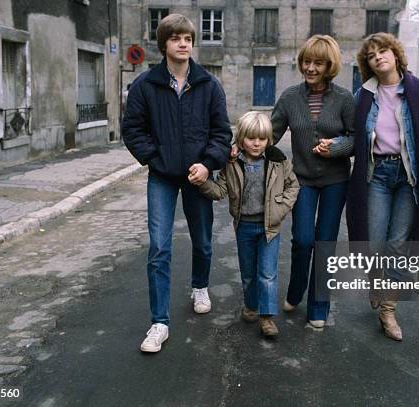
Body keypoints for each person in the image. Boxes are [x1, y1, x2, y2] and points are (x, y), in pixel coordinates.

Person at [319, 32, 419, 341]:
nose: (378, 57)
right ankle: (376, 284)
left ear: (395, 54)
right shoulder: (363, 96)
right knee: (375, 243)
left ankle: (388, 309)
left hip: (411, 178)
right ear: (367, 64)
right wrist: (334, 144)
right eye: (371, 55)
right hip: (377, 175)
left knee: (397, 244)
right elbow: (354, 137)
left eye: (383, 51)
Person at [121, 14, 232, 353]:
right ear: (164, 44)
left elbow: (222, 133)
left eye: (188, 38)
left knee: (203, 242)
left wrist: (208, 163)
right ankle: (159, 322)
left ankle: (200, 286)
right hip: (163, 177)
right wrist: (156, 159)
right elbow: (133, 130)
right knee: (159, 247)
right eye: (176, 38)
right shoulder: (145, 85)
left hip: (199, 175)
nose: (183, 43)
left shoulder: (209, 84)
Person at [271, 35, 355, 328]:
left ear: (329, 65)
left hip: (336, 181)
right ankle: (296, 290)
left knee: (325, 243)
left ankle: (319, 305)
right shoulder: (290, 97)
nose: (310, 67)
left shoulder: (345, 98)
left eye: (318, 63)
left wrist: (337, 147)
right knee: (303, 240)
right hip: (302, 180)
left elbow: (357, 138)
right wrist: (241, 145)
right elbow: (269, 134)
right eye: (307, 61)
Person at [199, 111, 299, 337]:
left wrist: (280, 208)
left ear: (269, 139)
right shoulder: (232, 162)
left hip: (269, 227)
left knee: (267, 273)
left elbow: (293, 186)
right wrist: (203, 182)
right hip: (244, 226)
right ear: (241, 138)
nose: (257, 143)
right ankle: (252, 306)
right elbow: (220, 190)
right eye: (251, 138)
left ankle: (267, 317)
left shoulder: (278, 160)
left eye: (262, 138)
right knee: (248, 273)